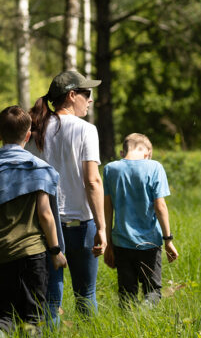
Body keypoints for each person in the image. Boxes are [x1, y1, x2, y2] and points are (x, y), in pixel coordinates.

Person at [0, 106, 68, 335]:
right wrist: (55, 251)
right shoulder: (39, 169)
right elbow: (45, 214)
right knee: (34, 316)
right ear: (28, 135)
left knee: (3, 315)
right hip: (33, 254)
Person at [28, 70, 106, 324]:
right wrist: (102, 227)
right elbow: (92, 181)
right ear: (72, 96)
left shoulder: (36, 129)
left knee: (51, 298)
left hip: (45, 225)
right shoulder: (86, 130)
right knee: (86, 294)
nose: (90, 100)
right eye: (87, 94)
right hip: (81, 225)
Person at [103, 133, 179, 306]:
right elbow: (160, 206)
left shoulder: (110, 169)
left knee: (126, 294)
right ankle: (145, 321)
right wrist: (168, 240)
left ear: (123, 153)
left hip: (121, 242)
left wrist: (108, 243)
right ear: (147, 154)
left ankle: (128, 326)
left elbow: (107, 209)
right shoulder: (154, 167)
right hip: (149, 243)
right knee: (152, 291)